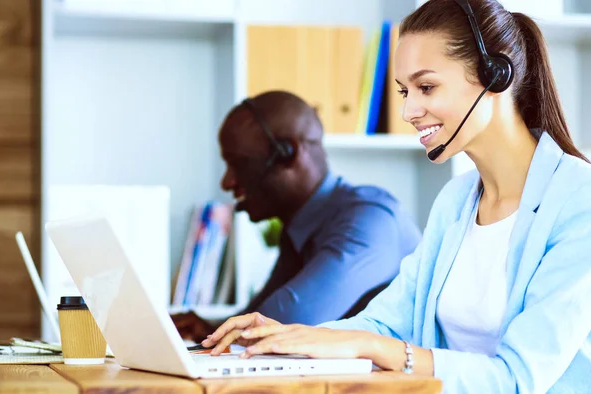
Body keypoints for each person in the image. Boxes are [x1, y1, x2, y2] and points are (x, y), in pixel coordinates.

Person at [200, 0, 591, 392]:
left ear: (495, 75)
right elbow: (384, 322)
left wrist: (374, 347)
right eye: (405, 91)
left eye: (426, 87)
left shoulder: (579, 200)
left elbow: (517, 379)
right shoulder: (456, 201)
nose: (408, 110)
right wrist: (290, 337)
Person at [172, 90, 422, 342]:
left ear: (288, 154)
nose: (227, 182)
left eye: (240, 164)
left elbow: (284, 324)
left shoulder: (370, 219)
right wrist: (208, 330)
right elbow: (259, 320)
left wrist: (226, 332)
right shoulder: (299, 231)